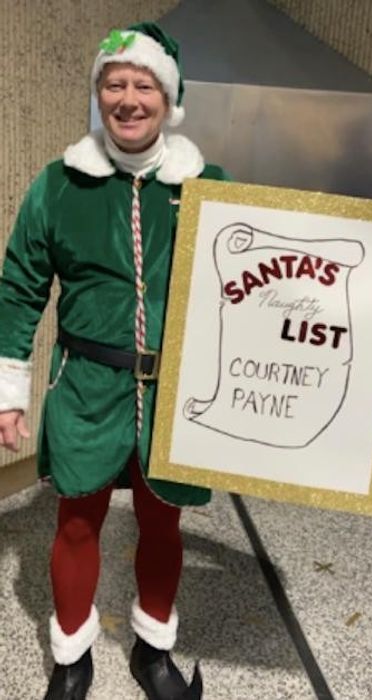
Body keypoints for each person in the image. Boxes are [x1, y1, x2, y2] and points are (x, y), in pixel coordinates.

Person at [0, 23, 230, 700]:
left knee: (163, 522)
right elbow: (19, 287)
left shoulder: (209, 185)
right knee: (76, 523)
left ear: (169, 98)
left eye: (144, 85)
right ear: (98, 94)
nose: (128, 99)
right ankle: (72, 659)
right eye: (114, 84)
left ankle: (152, 651)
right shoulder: (58, 184)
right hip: (85, 386)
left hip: (175, 393)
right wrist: (8, 389)